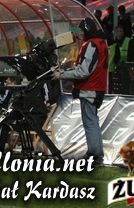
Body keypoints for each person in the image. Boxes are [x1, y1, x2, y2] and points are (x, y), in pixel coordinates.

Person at [53, 17, 108, 165]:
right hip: (97, 87)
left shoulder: (91, 44)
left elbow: (84, 71)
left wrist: (62, 74)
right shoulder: (101, 42)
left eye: (81, 31)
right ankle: (94, 154)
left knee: (90, 123)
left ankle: (95, 156)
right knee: (92, 122)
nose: (80, 34)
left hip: (90, 88)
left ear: (87, 31)